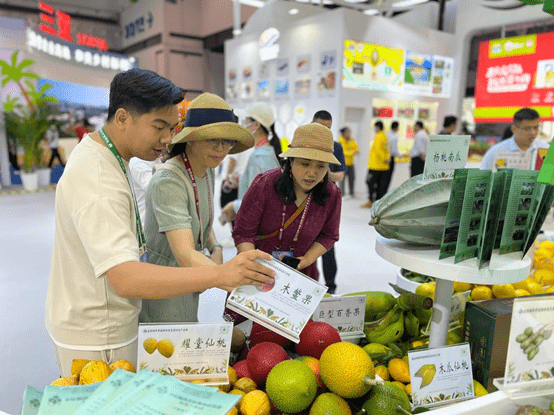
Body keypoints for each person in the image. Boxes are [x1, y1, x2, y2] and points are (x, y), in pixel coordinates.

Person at [45, 68, 275, 377]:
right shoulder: (100, 178)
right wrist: (220, 275)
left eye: (172, 127)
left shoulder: (113, 160)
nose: (167, 139)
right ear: (123, 117)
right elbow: (125, 277)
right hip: (100, 333)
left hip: (112, 317)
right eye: (159, 126)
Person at [139, 93, 256, 324]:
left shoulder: (206, 166)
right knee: (169, 347)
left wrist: (215, 245)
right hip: (168, 280)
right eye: (212, 140)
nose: (221, 149)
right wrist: (228, 276)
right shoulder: (169, 181)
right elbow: (184, 255)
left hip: (193, 274)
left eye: (227, 141)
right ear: (191, 139)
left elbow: (200, 216)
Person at [233, 122, 342, 283]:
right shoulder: (265, 185)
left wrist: (305, 260)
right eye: (305, 163)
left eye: (321, 166)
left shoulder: (331, 195)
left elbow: (329, 235)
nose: (312, 173)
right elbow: (243, 232)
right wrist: (255, 265)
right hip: (255, 272)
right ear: (291, 161)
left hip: (301, 275)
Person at [221, 102, 280, 223]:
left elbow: (258, 201)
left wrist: (234, 206)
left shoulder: (259, 157)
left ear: (256, 125)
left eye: (246, 121)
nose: (244, 126)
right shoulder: (266, 153)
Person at [312, 110, 345, 294]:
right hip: (304, 200)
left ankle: (330, 287)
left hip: (327, 201)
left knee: (328, 244)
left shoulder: (336, 147)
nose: (325, 133)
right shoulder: (303, 144)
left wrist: (326, 172)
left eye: (328, 129)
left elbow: (340, 174)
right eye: (320, 128)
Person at [481, 108, 548, 170]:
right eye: (527, 128)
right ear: (514, 129)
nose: (533, 132)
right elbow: (483, 179)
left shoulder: (546, 150)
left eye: (536, 128)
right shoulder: (496, 152)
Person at [362, 121, 390, 208]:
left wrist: (383, 159)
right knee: (380, 185)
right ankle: (377, 202)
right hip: (383, 167)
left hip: (375, 166)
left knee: (369, 182)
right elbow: (387, 150)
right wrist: (386, 159)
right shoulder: (385, 136)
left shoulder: (378, 136)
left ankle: (370, 200)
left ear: (377, 127)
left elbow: (378, 150)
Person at [338, 127, 359, 197]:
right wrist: (352, 152)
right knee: (342, 180)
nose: (349, 133)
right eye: (347, 132)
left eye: (349, 132)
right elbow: (344, 152)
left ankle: (351, 193)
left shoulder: (352, 139)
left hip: (351, 163)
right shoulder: (341, 140)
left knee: (352, 178)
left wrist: (350, 151)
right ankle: (342, 194)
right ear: (343, 133)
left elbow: (357, 148)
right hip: (343, 163)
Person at [384, 120, 400, 193]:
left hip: (384, 158)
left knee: (383, 177)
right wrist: (401, 155)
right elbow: (394, 150)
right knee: (388, 178)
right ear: (397, 128)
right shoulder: (394, 137)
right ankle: (384, 193)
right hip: (390, 158)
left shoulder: (386, 134)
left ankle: (381, 194)